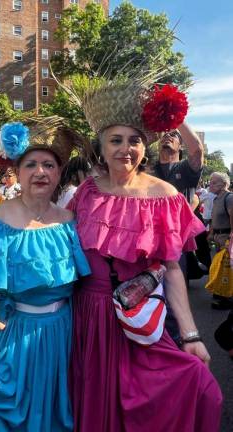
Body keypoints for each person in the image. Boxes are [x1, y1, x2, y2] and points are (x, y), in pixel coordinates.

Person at [65, 75, 222, 431]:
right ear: (101, 148)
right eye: (115, 140)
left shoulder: (164, 194)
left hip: (138, 319)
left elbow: (174, 268)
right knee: (93, 404)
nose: (126, 149)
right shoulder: (86, 193)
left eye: (134, 140)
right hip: (86, 319)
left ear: (144, 147)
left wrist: (191, 335)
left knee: (197, 388)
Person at [0, 122, 90, 431]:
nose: (40, 172)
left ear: (59, 171)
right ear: (18, 170)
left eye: (49, 165)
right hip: (6, 335)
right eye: (31, 164)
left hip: (60, 336)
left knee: (52, 417)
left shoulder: (71, 222)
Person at [154, 124, 204, 205]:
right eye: (164, 135)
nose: (167, 135)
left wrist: (178, 117)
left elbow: (197, 151)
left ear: (181, 146)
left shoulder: (186, 167)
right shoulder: (148, 167)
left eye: (173, 134)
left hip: (177, 217)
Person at [207, 171, 233, 309]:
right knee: (219, 267)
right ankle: (221, 294)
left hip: (226, 239)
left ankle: (227, 298)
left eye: (214, 182)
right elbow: (214, 219)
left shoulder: (229, 197)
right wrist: (211, 233)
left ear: (223, 184)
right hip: (218, 238)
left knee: (226, 269)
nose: (210, 185)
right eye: (210, 182)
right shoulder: (217, 199)